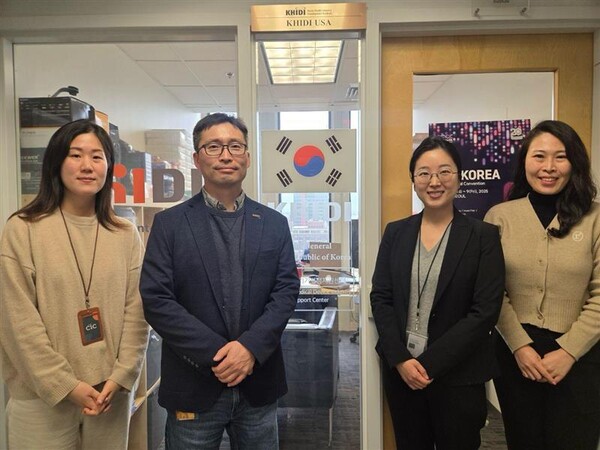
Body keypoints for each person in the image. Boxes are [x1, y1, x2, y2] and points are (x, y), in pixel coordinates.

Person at [140, 113, 300, 450]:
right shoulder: (169, 224)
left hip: (258, 383)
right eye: (213, 147)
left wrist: (249, 349)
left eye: (235, 146)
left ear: (247, 157)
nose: (226, 155)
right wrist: (220, 355)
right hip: (193, 384)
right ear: (197, 159)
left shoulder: (274, 224)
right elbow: (157, 299)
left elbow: (285, 291)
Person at [0, 119, 149, 449]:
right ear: (56, 161)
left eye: (97, 157)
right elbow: (17, 323)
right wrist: (64, 385)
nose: (87, 166)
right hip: (41, 400)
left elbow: (137, 314)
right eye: (76, 155)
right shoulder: (23, 229)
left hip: (109, 396)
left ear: (108, 167)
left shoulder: (125, 234)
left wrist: (122, 376)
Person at [370, 136, 505, 450]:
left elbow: (484, 311)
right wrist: (401, 359)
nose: (434, 182)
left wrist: (429, 364)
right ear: (413, 180)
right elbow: (381, 297)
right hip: (403, 374)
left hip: (459, 376)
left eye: (444, 172)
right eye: (424, 173)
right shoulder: (396, 232)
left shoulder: (483, 236)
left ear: (459, 177)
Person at [485, 120, 600, 450]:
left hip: (581, 355)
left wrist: (568, 351)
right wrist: (520, 346)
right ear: (525, 161)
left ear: (574, 163)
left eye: (560, 157)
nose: (548, 167)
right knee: (524, 440)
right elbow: (492, 292)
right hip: (516, 355)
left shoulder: (594, 218)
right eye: (539, 156)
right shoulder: (500, 216)